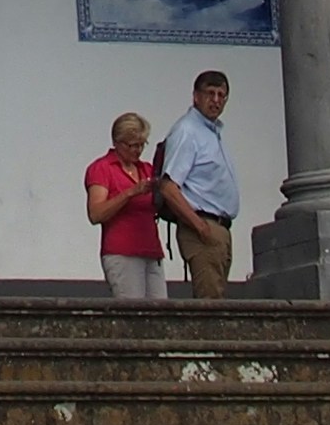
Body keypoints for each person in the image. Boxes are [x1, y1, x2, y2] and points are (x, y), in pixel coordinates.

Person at [157, 70, 242, 299]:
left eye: (221, 95)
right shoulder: (188, 131)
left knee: (217, 297)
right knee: (210, 302)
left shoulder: (211, 132)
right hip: (203, 226)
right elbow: (168, 187)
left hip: (219, 228)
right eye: (210, 93)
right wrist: (200, 227)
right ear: (196, 96)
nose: (216, 100)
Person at [87, 111, 171, 299]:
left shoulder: (146, 169)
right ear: (117, 143)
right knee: (133, 313)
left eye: (142, 145)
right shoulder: (102, 168)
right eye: (133, 145)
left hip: (151, 250)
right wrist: (130, 193)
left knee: (160, 312)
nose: (138, 150)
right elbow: (96, 213)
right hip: (122, 252)